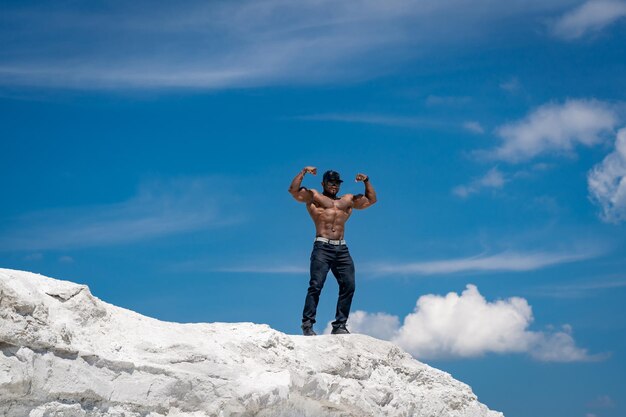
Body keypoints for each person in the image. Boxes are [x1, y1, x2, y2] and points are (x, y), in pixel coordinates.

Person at [288, 167, 377, 336]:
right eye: (331, 183)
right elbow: (293, 191)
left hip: (341, 248)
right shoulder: (314, 196)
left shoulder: (347, 200)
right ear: (323, 183)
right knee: (316, 285)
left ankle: (339, 325)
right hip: (322, 247)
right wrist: (303, 172)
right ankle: (307, 324)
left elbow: (371, 200)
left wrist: (366, 181)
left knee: (349, 285)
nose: (334, 186)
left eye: (337, 183)